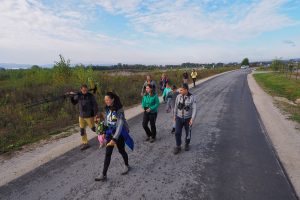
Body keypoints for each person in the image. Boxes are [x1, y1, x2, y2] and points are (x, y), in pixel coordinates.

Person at [95, 92, 134, 181]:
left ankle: (127, 165)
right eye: (105, 100)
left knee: (121, 150)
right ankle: (103, 174)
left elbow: (120, 124)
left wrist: (114, 138)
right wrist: (104, 131)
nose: (106, 101)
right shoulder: (107, 108)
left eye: (108, 99)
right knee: (108, 153)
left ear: (112, 99)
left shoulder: (119, 110)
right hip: (109, 132)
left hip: (119, 133)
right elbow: (106, 120)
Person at [70, 84, 99, 150]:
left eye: (86, 90)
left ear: (87, 89)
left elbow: (95, 105)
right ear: (81, 89)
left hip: (89, 116)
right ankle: (85, 143)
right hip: (81, 116)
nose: (85, 91)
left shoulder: (90, 96)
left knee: (93, 129)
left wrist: (95, 115)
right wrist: (71, 96)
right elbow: (74, 102)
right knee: (82, 130)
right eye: (83, 90)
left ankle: (105, 135)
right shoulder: (78, 96)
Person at [173, 83, 197, 154]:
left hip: (188, 118)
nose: (180, 91)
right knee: (177, 132)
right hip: (179, 117)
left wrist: (192, 119)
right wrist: (174, 115)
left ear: (186, 90)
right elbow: (176, 106)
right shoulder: (178, 96)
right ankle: (178, 146)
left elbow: (194, 108)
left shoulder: (192, 97)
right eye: (180, 90)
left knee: (188, 133)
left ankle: (187, 144)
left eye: (181, 90)